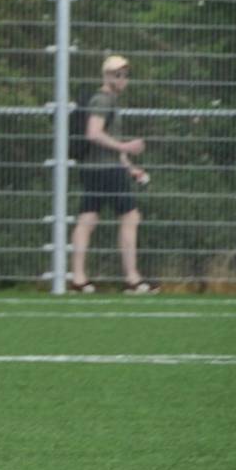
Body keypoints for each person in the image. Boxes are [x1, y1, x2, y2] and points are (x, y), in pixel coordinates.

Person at [69, 54, 154, 294]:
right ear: (106, 76)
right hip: (105, 170)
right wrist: (126, 147)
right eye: (117, 74)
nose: (122, 79)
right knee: (130, 217)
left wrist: (129, 167)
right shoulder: (103, 100)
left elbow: (109, 142)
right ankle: (132, 279)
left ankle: (78, 279)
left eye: (125, 74)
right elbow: (94, 133)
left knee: (88, 219)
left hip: (98, 169)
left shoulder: (107, 100)